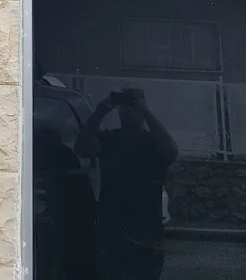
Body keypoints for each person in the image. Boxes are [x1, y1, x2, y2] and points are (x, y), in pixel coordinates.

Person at [75, 88, 178, 280]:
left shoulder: (151, 141)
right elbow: (82, 148)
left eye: (133, 105)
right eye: (124, 106)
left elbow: (171, 152)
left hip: (146, 228)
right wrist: (100, 112)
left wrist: (146, 112)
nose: (128, 110)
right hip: (113, 228)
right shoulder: (109, 139)